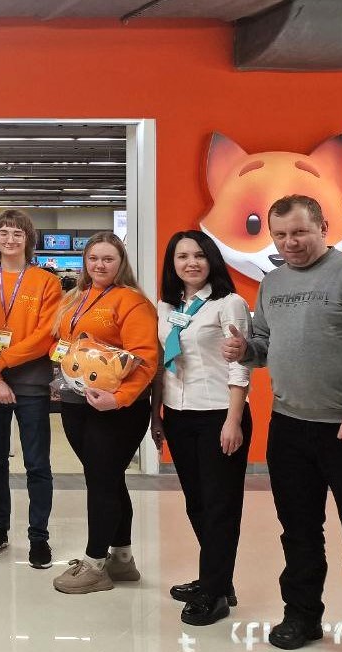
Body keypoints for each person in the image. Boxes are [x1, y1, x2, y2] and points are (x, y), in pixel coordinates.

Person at [222, 194, 342, 652]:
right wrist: (245, 350)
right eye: (280, 235)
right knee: (299, 533)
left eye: (299, 232)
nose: (290, 243)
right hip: (290, 429)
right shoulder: (274, 282)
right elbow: (266, 344)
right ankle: (302, 617)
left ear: (323, 227)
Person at [149, 230, 251, 626]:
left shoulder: (229, 303)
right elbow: (162, 364)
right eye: (182, 256)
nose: (191, 263)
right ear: (172, 264)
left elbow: (240, 365)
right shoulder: (167, 306)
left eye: (199, 255)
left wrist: (233, 420)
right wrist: (157, 414)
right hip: (178, 414)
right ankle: (218, 580)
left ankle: (214, 593)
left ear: (212, 260)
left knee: (220, 506)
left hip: (218, 415)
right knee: (197, 503)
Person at [49, 232, 158, 595]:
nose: (99, 265)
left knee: (101, 481)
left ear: (121, 263)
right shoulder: (76, 297)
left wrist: (120, 397)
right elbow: (62, 341)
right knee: (107, 478)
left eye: (108, 258)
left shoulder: (132, 302)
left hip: (114, 410)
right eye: (93, 258)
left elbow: (145, 358)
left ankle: (95, 563)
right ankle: (122, 559)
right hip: (76, 403)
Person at [0, 210, 62, 569]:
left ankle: (39, 537)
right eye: (3, 233)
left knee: (37, 463)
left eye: (17, 234)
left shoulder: (46, 282)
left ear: (28, 240)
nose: (10, 239)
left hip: (31, 383)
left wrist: (1, 364)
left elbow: (45, 335)